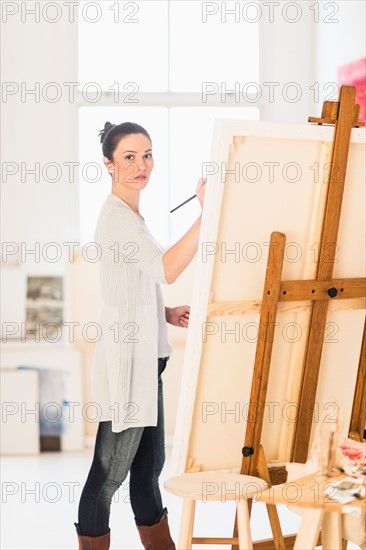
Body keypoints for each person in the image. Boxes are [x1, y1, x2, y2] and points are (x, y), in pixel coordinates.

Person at [74, 122, 206, 550]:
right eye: (129, 157)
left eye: (147, 155)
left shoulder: (132, 216)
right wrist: (208, 215)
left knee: (149, 471)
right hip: (129, 364)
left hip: (148, 359)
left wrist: (163, 312)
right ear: (108, 165)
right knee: (108, 475)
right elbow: (166, 267)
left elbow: (133, 281)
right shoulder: (117, 218)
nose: (140, 165)